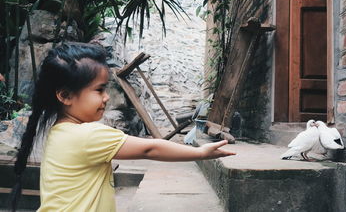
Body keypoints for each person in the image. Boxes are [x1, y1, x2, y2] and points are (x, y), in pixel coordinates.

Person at [10, 42, 235, 212]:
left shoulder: (60, 132)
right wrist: (199, 152)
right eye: (99, 90)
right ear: (65, 96)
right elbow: (150, 148)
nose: (107, 97)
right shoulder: (87, 135)